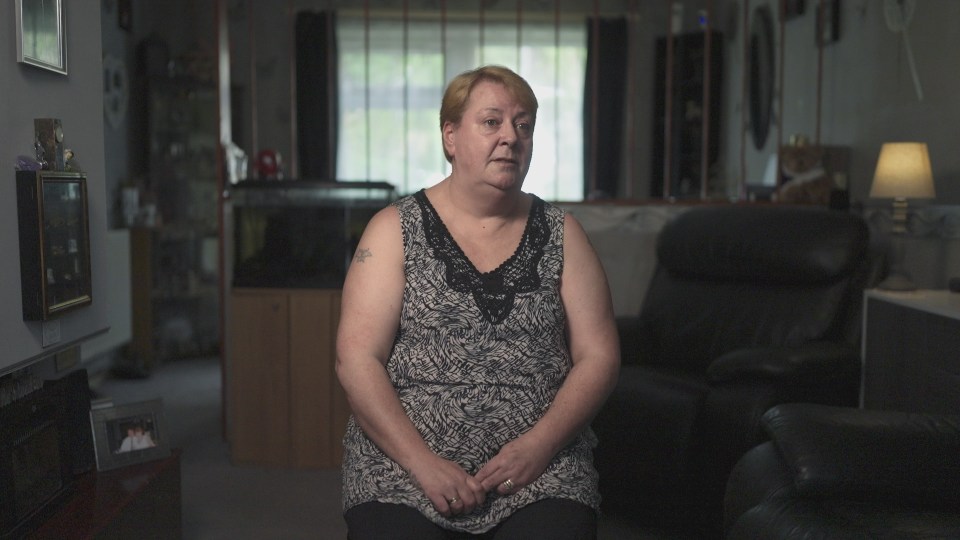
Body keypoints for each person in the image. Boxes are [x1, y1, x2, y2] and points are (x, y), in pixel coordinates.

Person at [336, 65, 620, 539]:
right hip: (404, 466)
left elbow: (600, 356)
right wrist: (424, 464)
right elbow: (356, 358)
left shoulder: (563, 233)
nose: (511, 136)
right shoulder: (392, 230)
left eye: (523, 125)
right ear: (450, 136)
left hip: (540, 468)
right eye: (492, 122)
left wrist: (540, 445)